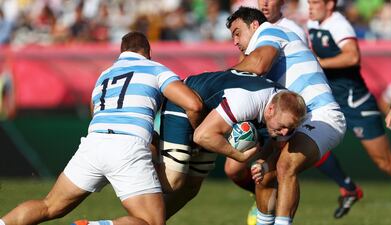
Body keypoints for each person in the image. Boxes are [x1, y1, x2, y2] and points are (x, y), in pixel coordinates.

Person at [0, 31, 203, 225]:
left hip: (93, 144)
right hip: (127, 146)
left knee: (49, 206)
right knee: (153, 222)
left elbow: (94, 112)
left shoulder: (104, 75)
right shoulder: (155, 68)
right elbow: (193, 104)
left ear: (121, 52)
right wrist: (198, 137)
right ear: (148, 53)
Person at [223, 1, 362, 222]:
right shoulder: (259, 48)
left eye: (237, 33)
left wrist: (213, 81)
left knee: (285, 166)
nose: (235, 41)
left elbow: (257, 67)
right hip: (289, 120)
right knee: (263, 173)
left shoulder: (270, 32)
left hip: (321, 115)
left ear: (254, 25)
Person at [157, 69, 307, 219]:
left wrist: (264, 164)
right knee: (173, 180)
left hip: (211, 118)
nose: (286, 132)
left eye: (290, 128)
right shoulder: (248, 101)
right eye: (282, 126)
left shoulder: (285, 110)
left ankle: (153, 222)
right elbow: (202, 136)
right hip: (185, 102)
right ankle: (144, 156)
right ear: (270, 109)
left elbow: (277, 149)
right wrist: (239, 156)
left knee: (191, 186)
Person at [307, 0, 391, 186]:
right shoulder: (312, 24)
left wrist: (318, 63)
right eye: (308, 2)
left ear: (330, 4)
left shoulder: (339, 25)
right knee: (302, 140)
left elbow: (353, 56)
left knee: (386, 163)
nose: (310, 7)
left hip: (356, 103)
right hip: (330, 100)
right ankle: (348, 188)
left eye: (315, 2)